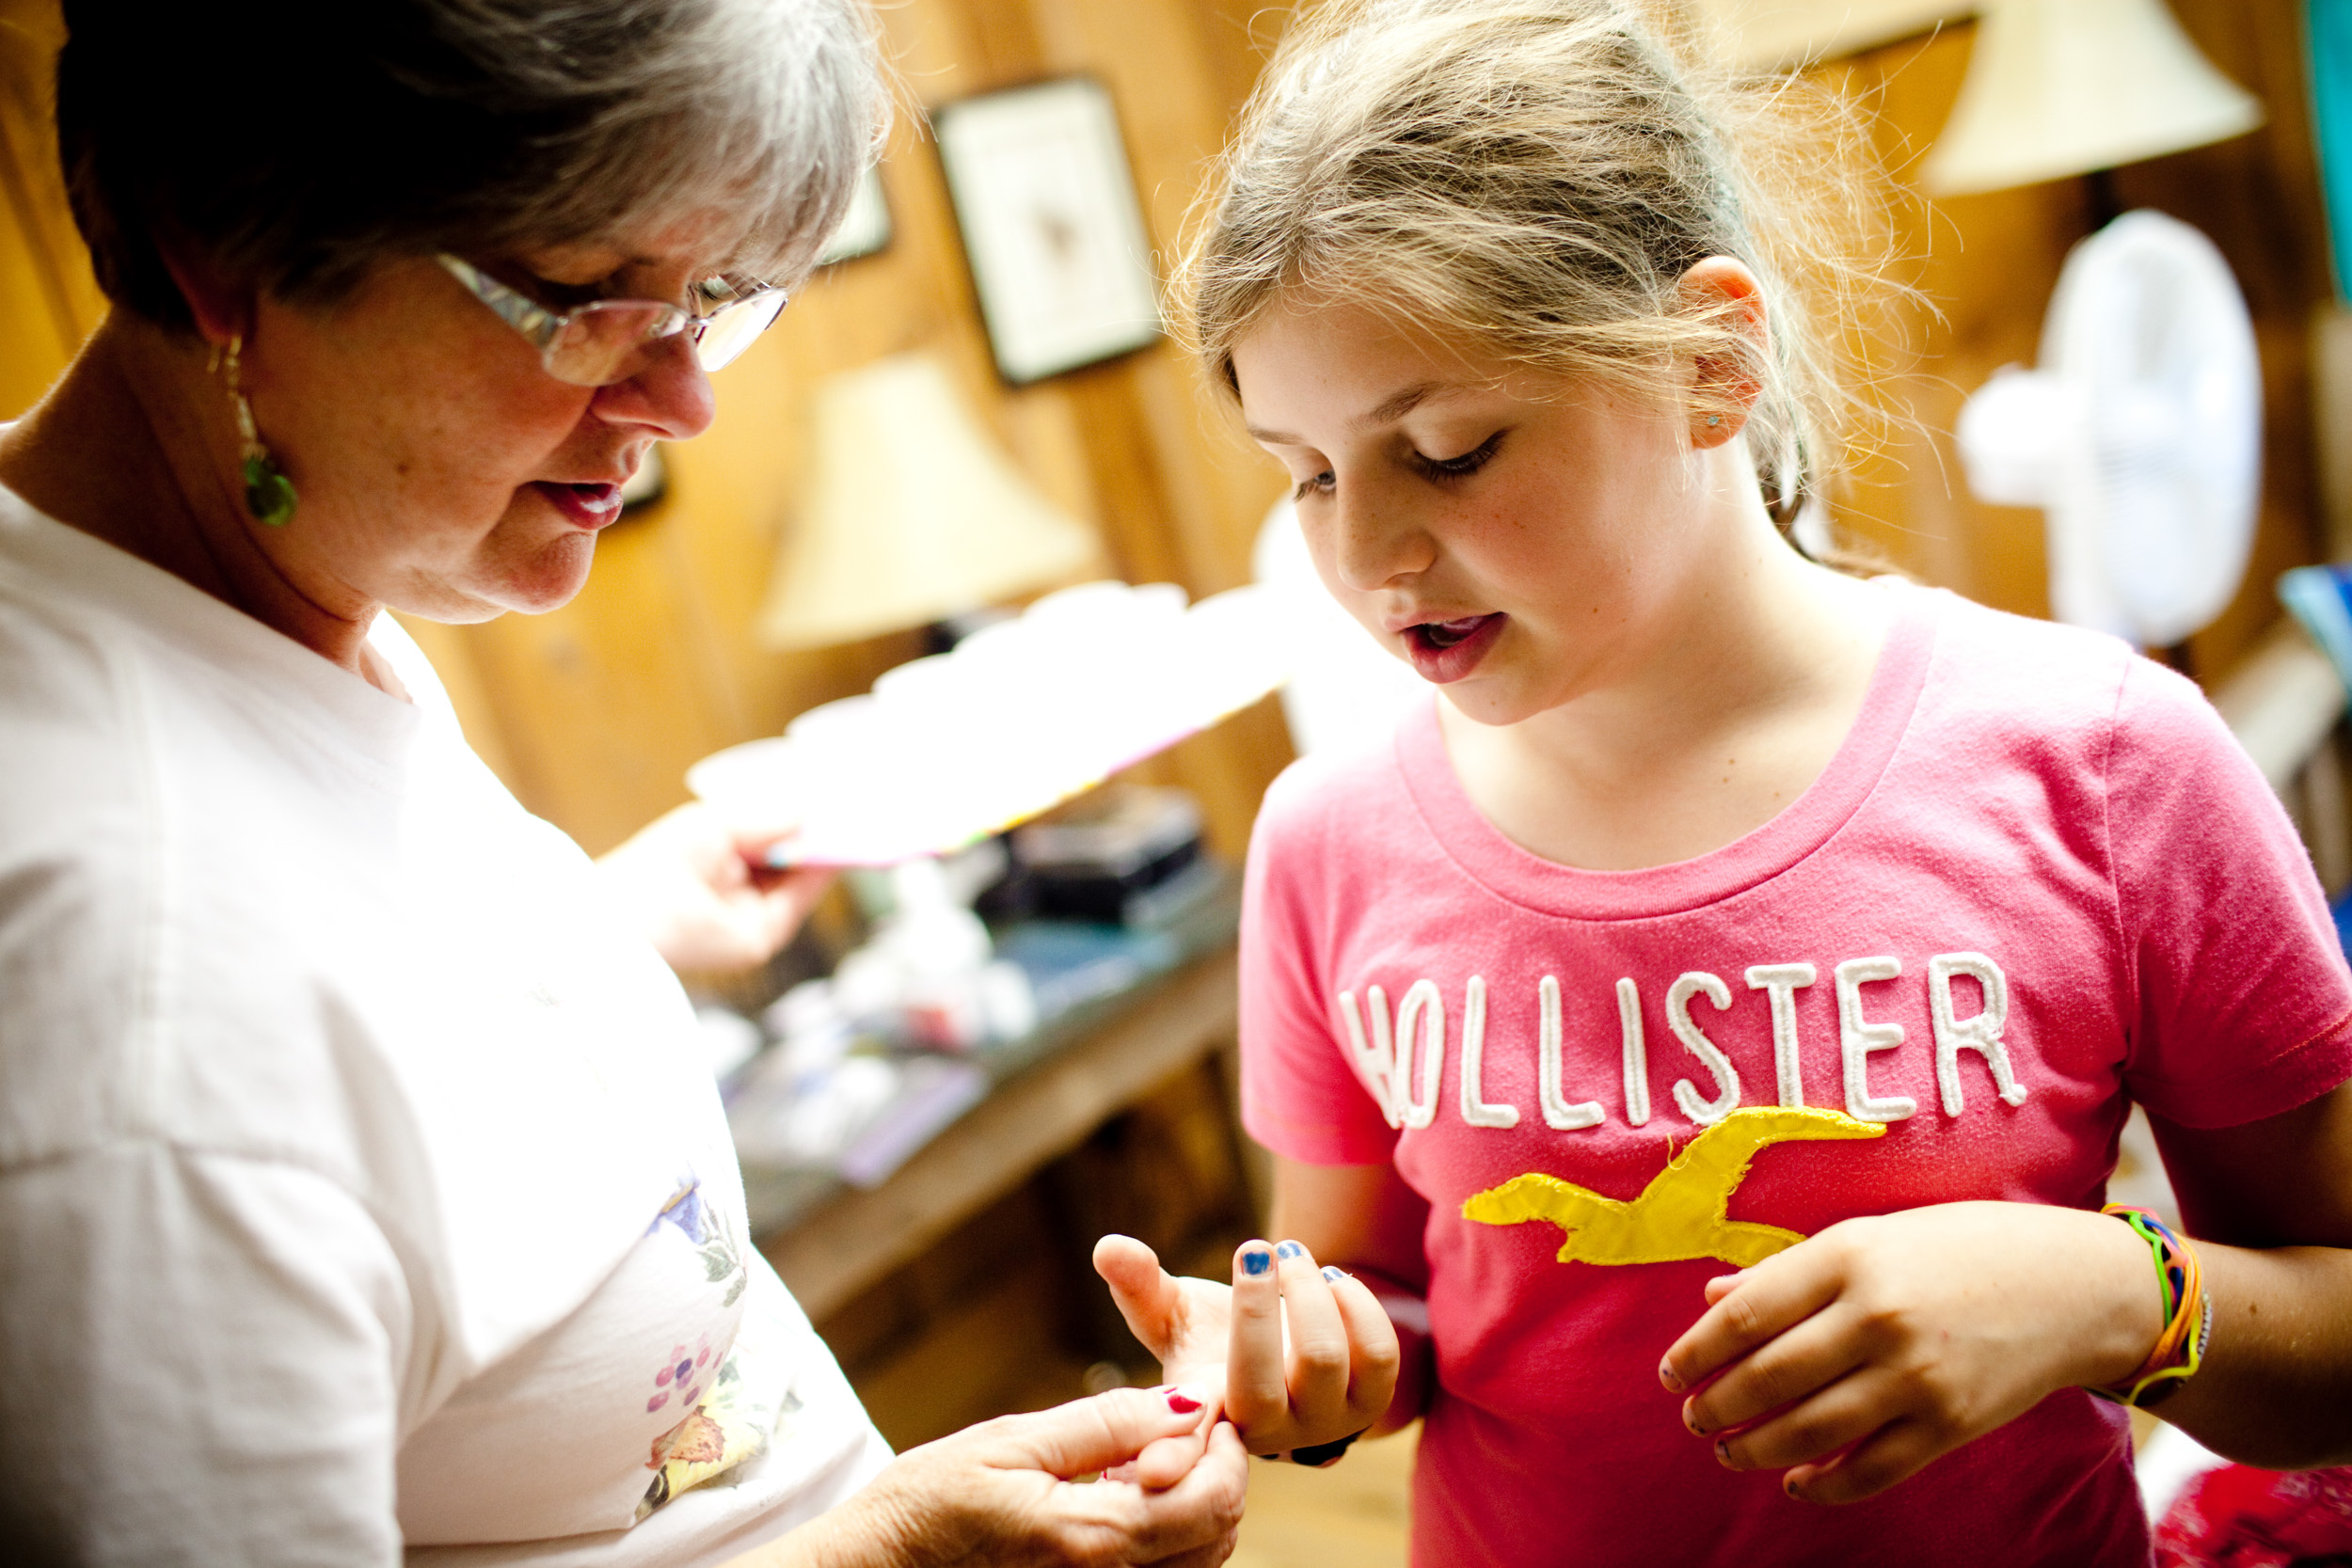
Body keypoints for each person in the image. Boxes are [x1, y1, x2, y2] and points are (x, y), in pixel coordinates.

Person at [1090, 1, 2352, 1564]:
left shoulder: (2107, 764)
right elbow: (1388, 1300)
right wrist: (1311, 1359)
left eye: (1453, 448)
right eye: (1310, 474)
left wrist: (2109, 1294)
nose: (1366, 554)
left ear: (1710, 358)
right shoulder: (1327, 838)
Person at [0, 3, 1250, 1562]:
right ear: (221, 247)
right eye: (590, 304)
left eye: (715, 300)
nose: (685, 402)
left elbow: (347, 1066)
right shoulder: (136, 1017)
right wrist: (889, 1553)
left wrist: (598, 921)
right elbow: (231, 1064)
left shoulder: (242, 573)